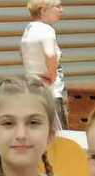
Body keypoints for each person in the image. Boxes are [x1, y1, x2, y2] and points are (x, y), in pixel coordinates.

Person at [20, 0, 67, 128]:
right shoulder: (46, 30)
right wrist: (52, 76)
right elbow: (50, 54)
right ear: (43, 10)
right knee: (60, 137)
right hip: (50, 94)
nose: (61, 10)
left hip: (33, 90)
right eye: (57, 6)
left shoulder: (29, 29)